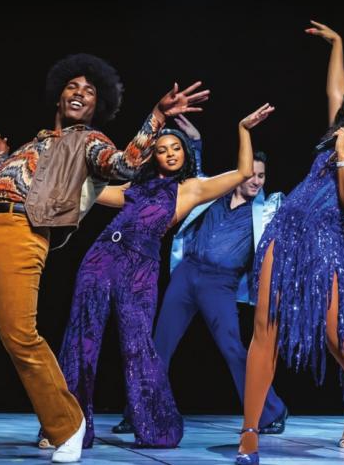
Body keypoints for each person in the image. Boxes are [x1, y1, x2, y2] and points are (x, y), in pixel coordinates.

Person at [0, 53, 207, 463]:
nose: (79, 93)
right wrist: (2, 155)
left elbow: (126, 165)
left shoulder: (90, 141)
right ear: (59, 96)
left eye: (89, 91)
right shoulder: (36, 140)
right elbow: (14, 178)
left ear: (97, 104)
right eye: (72, 86)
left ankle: (68, 424)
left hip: (20, 232)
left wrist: (158, 116)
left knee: (18, 335)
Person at [235, 21, 344, 465]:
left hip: (325, 241)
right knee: (264, 330)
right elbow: (336, 91)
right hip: (283, 232)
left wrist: (342, 154)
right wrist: (337, 44)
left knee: (341, 341)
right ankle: (249, 436)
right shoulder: (339, 133)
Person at [53, 104, 272, 449]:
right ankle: (67, 424)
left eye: (176, 148)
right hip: (101, 256)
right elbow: (95, 192)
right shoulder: (135, 187)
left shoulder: (191, 189)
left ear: (185, 154)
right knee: (82, 337)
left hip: (140, 267)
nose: (169, 154)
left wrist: (243, 129)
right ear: (152, 156)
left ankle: (155, 427)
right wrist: (70, 161)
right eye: (162, 149)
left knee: (139, 345)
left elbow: (244, 171)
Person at [111, 130, 288, 437]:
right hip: (187, 274)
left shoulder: (266, 212)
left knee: (232, 348)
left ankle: (270, 411)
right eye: (252, 174)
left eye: (262, 176)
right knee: (159, 345)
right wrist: (194, 142)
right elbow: (194, 173)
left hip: (220, 284)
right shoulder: (214, 195)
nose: (256, 181)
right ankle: (137, 412)